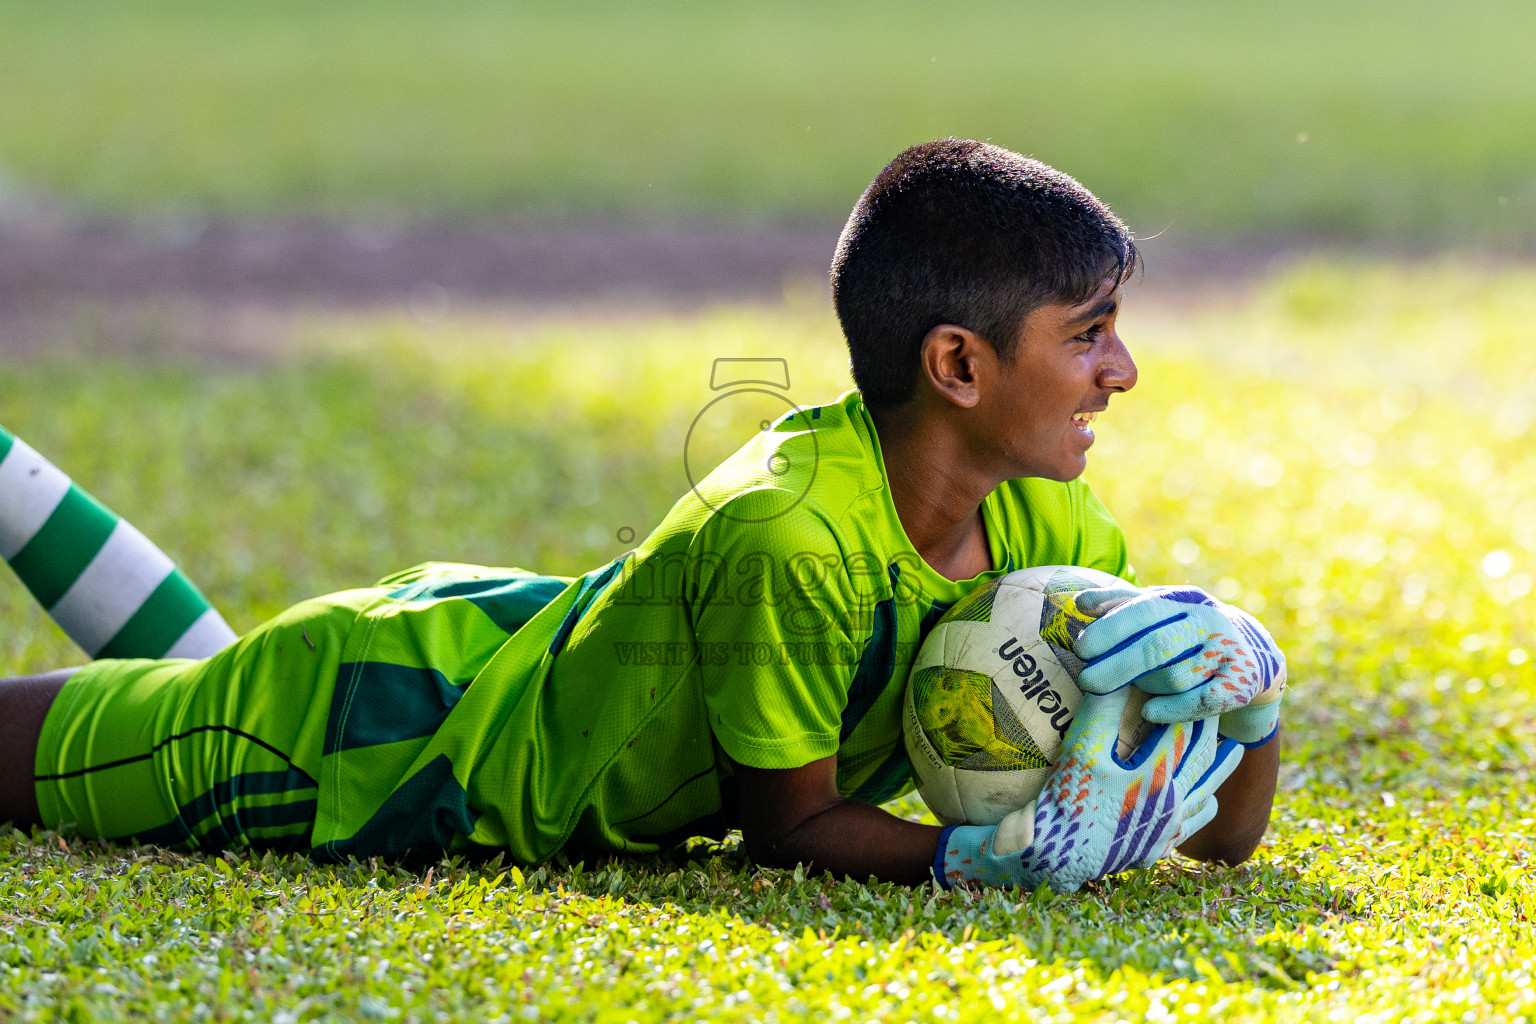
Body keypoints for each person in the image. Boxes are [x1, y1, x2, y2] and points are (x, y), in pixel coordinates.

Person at [0, 139, 1283, 891]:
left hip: (496, 649)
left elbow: (1217, 839)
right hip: (379, 744)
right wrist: (971, 859)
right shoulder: (790, 534)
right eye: (1091, 334)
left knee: (179, 682)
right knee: (149, 729)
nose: (1122, 370)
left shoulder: (1056, 537)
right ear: (959, 366)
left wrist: (1249, 704)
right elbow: (786, 830)